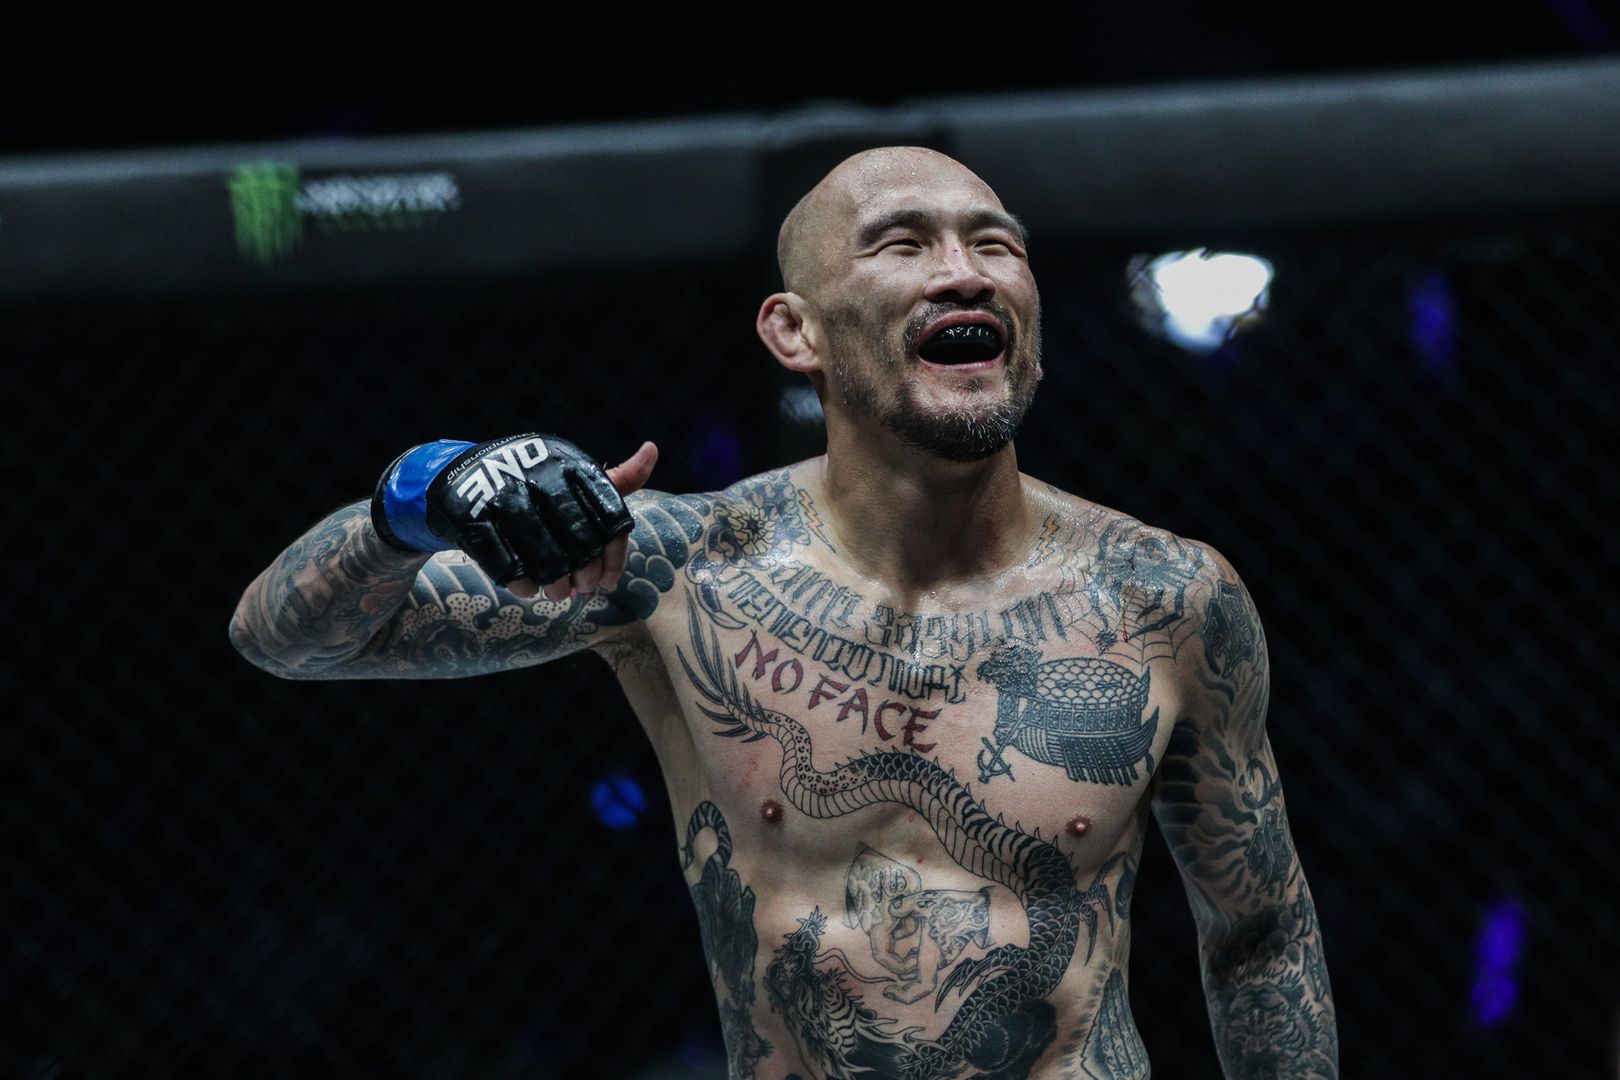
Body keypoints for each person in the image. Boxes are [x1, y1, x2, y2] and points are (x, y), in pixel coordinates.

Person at [231, 146, 1338, 1079]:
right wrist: (420, 492)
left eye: (995, 245)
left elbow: (1260, 932)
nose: (963, 272)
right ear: (794, 332)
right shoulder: (683, 567)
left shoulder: (1163, 596)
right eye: (903, 245)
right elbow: (287, 639)